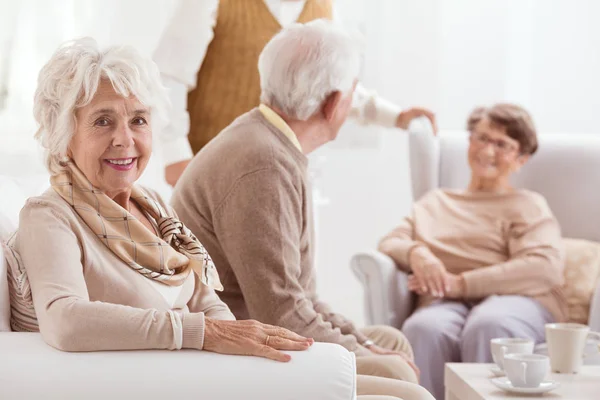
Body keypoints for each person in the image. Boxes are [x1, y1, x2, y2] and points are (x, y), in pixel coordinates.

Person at [172, 20, 434, 400]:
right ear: (332, 104)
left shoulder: (268, 141)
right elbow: (280, 314)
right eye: (352, 94)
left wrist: (363, 343)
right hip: (241, 350)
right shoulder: (263, 163)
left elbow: (299, 298)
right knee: (401, 378)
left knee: (389, 342)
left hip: (266, 329)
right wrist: (365, 352)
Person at [10, 38, 312, 363]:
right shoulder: (49, 216)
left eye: (138, 120)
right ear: (63, 136)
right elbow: (65, 320)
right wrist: (201, 333)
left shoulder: (152, 205)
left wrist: (239, 355)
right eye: (102, 121)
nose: (125, 139)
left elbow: (204, 301)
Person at [378, 103, 567, 399]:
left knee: (490, 324)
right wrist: (419, 253)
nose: (487, 151)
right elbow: (390, 242)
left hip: (517, 299)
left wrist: (459, 284)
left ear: (521, 159)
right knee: (424, 327)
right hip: (445, 302)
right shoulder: (435, 202)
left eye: (502, 144)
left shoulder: (528, 204)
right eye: (481, 137)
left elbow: (544, 267)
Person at [153, 0, 437, 186]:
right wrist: (176, 155)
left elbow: (335, 84)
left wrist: (396, 116)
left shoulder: (325, 8)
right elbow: (168, 77)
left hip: (288, 173)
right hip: (213, 172)